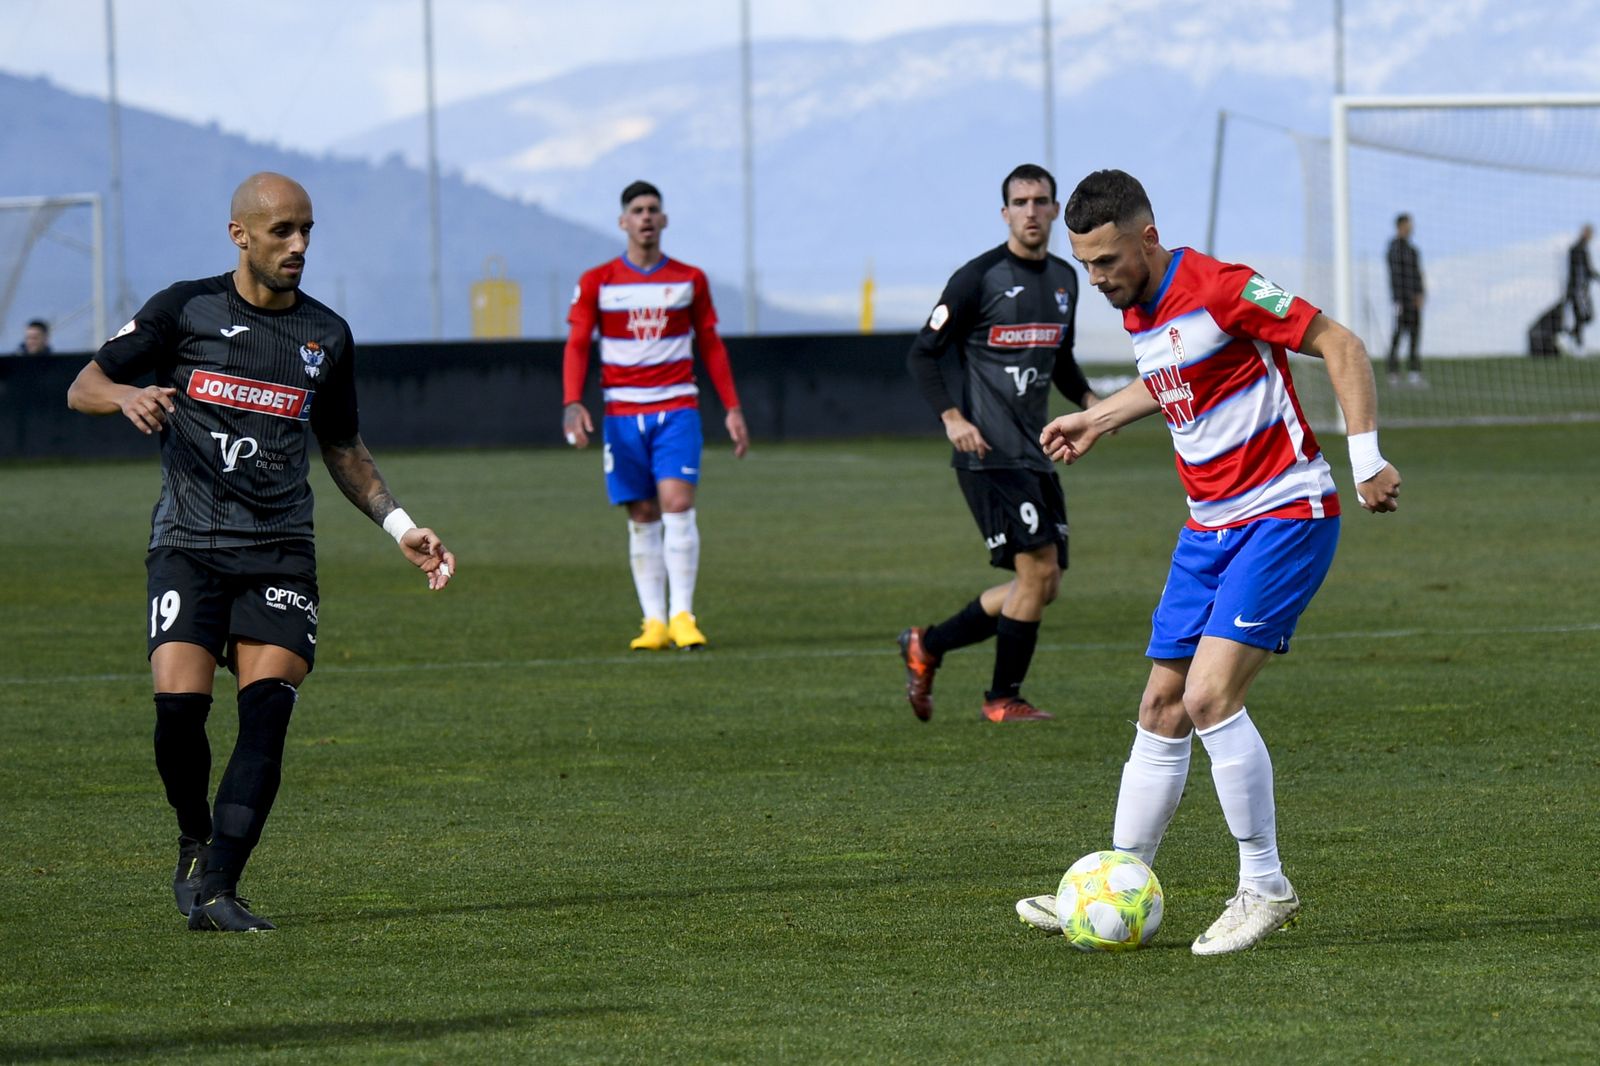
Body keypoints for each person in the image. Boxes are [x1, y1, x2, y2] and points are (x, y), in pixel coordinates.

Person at [1015, 169, 1401, 954]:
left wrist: (1366, 457)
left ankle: (1266, 886)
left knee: (1207, 697)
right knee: (1160, 705)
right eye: (1085, 265)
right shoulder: (1141, 306)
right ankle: (1118, 882)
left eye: (1108, 261)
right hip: (1208, 530)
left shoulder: (1223, 287)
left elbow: (1340, 343)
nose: (1097, 279)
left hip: (1284, 512)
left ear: (1147, 238)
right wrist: (1099, 417)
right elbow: (1176, 379)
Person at [66, 172, 456, 932]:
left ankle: (219, 888)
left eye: (306, 229)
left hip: (280, 551)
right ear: (240, 234)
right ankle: (192, 836)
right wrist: (128, 397)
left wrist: (399, 523)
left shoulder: (327, 336)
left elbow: (341, 445)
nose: (299, 245)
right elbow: (85, 382)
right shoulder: (185, 309)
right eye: (282, 231)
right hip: (188, 543)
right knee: (179, 714)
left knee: (266, 714)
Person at [899, 163, 1098, 724]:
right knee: (1034, 575)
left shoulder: (1065, 278)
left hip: (1034, 451)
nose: (1032, 211)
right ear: (1004, 212)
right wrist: (952, 418)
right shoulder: (977, 278)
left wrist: (1091, 406)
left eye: (1041, 201)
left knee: (1044, 583)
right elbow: (922, 352)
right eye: (1021, 201)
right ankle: (1001, 698)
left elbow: (1060, 358)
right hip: (987, 454)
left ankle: (927, 643)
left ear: (1056, 210)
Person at [562, 180, 748, 652]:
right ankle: (653, 622)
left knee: (677, 505)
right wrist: (572, 400)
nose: (646, 217)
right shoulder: (597, 282)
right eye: (637, 211)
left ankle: (683, 615)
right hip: (622, 414)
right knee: (642, 513)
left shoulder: (689, 279)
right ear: (623, 222)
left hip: (676, 408)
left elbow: (710, 344)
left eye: (653, 210)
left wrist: (731, 407)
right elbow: (578, 344)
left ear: (663, 220)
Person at [1385, 214, 1424, 386]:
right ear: (1400, 226)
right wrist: (1399, 298)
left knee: (1415, 335)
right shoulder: (1393, 249)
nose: (1411, 227)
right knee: (1398, 334)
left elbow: (1417, 275)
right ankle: (1393, 371)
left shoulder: (1413, 251)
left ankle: (1414, 372)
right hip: (1400, 300)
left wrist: (1420, 294)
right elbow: (1395, 277)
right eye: (1408, 224)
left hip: (1414, 301)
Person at [1566, 224, 1596, 352]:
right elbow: (1584, 270)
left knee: (1585, 317)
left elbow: (1588, 270)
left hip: (1582, 289)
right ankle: (1578, 344)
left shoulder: (1582, 248)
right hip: (1578, 290)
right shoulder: (1577, 249)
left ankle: (1573, 334)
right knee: (1581, 316)